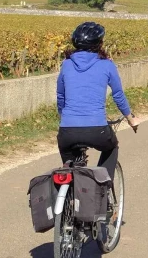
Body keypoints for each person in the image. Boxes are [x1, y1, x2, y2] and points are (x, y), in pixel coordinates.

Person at [56, 21, 136, 179]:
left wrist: (65, 118)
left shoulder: (66, 64)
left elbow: (61, 96)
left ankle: (69, 196)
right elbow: (118, 95)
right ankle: (102, 184)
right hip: (97, 130)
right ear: (99, 44)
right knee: (112, 147)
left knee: (69, 168)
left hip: (67, 131)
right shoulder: (107, 65)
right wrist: (130, 118)